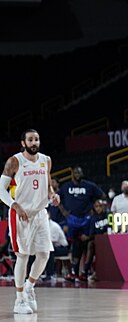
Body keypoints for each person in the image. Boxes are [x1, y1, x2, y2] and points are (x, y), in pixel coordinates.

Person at [0, 129, 61, 314]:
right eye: (30, 140)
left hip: (41, 212)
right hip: (21, 214)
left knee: (44, 254)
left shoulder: (46, 160)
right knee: (23, 256)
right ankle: (19, 300)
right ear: (23, 143)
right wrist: (14, 205)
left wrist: (52, 194)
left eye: (36, 139)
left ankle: (29, 287)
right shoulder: (14, 161)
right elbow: (1, 189)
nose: (34, 142)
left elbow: (47, 182)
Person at [57, 166, 106, 282]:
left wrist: (93, 207)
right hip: (72, 219)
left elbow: (102, 196)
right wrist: (64, 212)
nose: (77, 174)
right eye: (75, 172)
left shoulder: (89, 186)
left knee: (86, 244)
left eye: (79, 172)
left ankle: (85, 272)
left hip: (86, 219)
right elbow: (57, 198)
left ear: (82, 174)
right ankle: (73, 272)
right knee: (73, 245)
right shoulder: (66, 186)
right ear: (72, 174)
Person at [85, 199, 111, 281]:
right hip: (98, 241)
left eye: (100, 206)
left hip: (110, 240)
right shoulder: (93, 218)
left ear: (104, 206)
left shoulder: (109, 215)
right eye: (96, 207)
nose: (98, 208)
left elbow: (113, 228)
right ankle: (86, 268)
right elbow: (92, 234)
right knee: (90, 244)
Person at [44, 210, 69, 281]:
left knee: (49, 250)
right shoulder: (42, 225)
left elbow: (52, 241)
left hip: (62, 248)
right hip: (52, 246)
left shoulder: (54, 226)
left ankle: (50, 274)